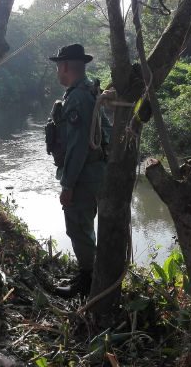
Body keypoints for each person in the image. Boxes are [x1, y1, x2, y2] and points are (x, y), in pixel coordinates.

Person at [48, 44, 107, 297]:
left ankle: (88, 282)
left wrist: (68, 185)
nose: (57, 71)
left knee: (78, 227)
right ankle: (91, 274)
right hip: (94, 172)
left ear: (64, 67)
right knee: (84, 225)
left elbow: (78, 146)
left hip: (84, 176)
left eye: (58, 67)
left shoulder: (78, 98)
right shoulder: (87, 91)